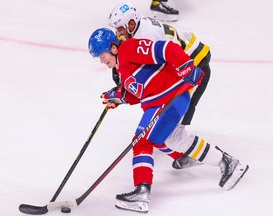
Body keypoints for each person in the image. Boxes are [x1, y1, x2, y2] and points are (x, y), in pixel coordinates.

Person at [88, 28, 249, 213]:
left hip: (168, 98)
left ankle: (141, 192)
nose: (102, 60)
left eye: (102, 55)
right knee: (174, 138)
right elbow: (137, 93)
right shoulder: (123, 69)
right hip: (165, 101)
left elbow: (166, 49)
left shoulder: (129, 49)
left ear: (114, 47)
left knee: (141, 142)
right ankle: (228, 163)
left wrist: (186, 66)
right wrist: (118, 97)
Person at [108, 1, 211, 169]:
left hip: (196, 64)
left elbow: (159, 71)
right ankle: (187, 154)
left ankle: (209, 157)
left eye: (120, 29)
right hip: (190, 58)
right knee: (167, 121)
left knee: (173, 120)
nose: (118, 34)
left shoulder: (146, 35)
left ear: (131, 24)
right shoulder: (137, 29)